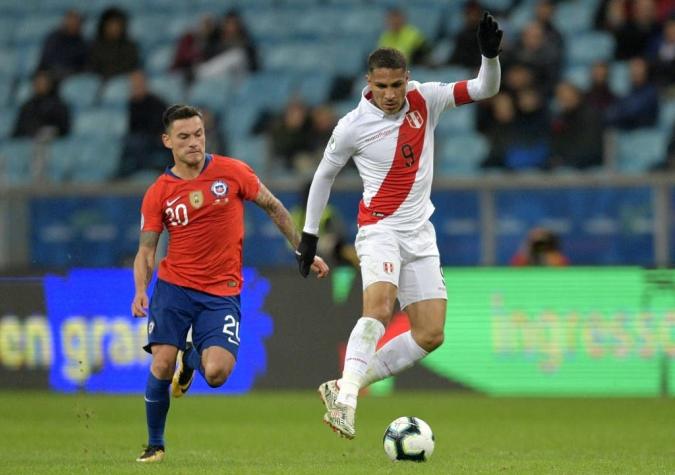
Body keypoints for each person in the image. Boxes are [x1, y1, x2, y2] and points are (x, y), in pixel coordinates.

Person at [295, 13, 502, 439]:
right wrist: (310, 235)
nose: (390, 95)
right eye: (381, 86)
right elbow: (323, 176)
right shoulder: (352, 126)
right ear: (369, 83)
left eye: (396, 85)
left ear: (407, 79)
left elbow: (486, 88)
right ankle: (347, 404)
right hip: (379, 229)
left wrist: (489, 55)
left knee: (430, 334)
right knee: (379, 308)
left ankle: (343, 385)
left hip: (420, 233)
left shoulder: (427, 98)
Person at [131, 104, 329, 462]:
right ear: (167, 141)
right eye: (184, 137)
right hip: (174, 288)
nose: (194, 142)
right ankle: (155, 445)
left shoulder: (232, 171)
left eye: (198, 134)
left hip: (221, 292)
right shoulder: (159, 192)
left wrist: (303, 249)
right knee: (161, 362)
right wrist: (141, 289)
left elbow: (272, 206)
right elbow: (147, 249)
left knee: (218, 373)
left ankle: (190, 361)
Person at [118, 70, 168, 178]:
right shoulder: (132, 103)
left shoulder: (156, 102)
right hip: (139, 138)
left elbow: (160, 125)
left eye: (138, 84)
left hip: (156, 137)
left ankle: (141, 171)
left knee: (136, 143)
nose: (135, 87)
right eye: (133, 84)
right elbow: (132, 126)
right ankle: (121, 176)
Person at [12, 70, 70, 139]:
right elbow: (18, 130)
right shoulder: (27, 106)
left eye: (43, 82)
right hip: (28, 142)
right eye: (37, 82)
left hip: (51, 142)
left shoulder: (59, 105)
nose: (40, 85)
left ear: (50, 83)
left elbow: (63, 128)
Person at [88, 7, 140, 79]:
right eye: (111, 24)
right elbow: (92, 69)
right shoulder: (94, 46)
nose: (114, 28)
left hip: (122, 83)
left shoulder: (130, 47)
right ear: (104, 26)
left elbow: (130, 68)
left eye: (117, 24)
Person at [36, 9, 87, 80]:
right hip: (52, 75)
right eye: (71, 20)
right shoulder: (53, 38)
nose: (73, 24)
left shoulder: (82, 43)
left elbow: (82, 66)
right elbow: (46, 60)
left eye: (76, 21)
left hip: (71, 77)